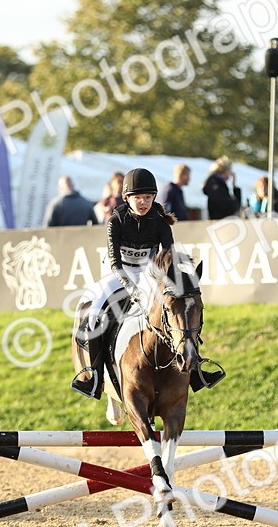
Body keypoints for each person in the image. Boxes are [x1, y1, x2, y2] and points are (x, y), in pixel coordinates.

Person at [71, 167, 223, 398]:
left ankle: (195, 368)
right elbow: (115, 264)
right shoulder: (116, 221)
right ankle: (94, 376)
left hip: (149, 274)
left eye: (148, 198)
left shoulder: (161, 223)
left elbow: (168, 259)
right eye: (138, 198)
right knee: (95, 315)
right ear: (127, 198)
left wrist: (173, 284)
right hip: (117, 273)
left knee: (180, 310)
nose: (143, 202)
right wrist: (131, 289)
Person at [202, 156, 241, 220]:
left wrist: (234, 186)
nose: (231, 173)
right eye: (230, 170)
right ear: (224, 170)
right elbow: (231, 208)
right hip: (220, 223)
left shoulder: (219, 184)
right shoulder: (216, 185)